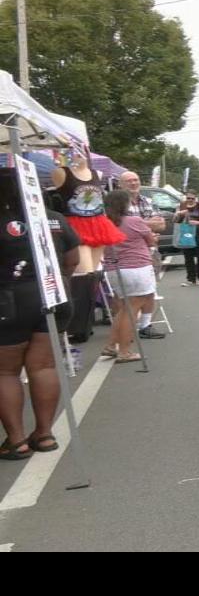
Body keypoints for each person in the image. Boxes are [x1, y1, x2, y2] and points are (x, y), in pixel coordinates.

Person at [0, 166, 80, 460]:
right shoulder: (55, 219)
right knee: (44, 366)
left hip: (9, 300)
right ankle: (44, 434)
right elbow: (73, 259)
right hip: (53, 295)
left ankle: (17, 440)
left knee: (5, 371)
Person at [102, 189, 162, 361]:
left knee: (123, 309)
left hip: (113, 268)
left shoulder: (104, 222)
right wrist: (153, 238)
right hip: (136, 267)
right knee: (132, 310)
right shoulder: (134, 221)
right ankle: (124, 350)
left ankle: (112, 344)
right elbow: (150, 241)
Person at [117, 171, 166, 339]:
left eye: (136, 180)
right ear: (120, 185)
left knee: (150, 290)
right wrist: (144, 225)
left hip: (150, 251)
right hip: (126, 254)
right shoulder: (117, 203)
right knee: (125, 296)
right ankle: (125, 330)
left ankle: (145, 325)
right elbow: (117, 224)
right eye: (129, 181)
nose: (133, 183)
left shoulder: (148, 201)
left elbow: (161, 225)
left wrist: (136, 225)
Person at [175, 190, 199, 286]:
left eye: (192, 198)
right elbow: (175, 221)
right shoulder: (181, 206)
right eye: (188, 198)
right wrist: (179, 214)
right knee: (188, 257)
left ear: (196, 198)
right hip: (186, 233)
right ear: (185, 198)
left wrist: (197, 223)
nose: (190, 200)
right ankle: (190, 279)